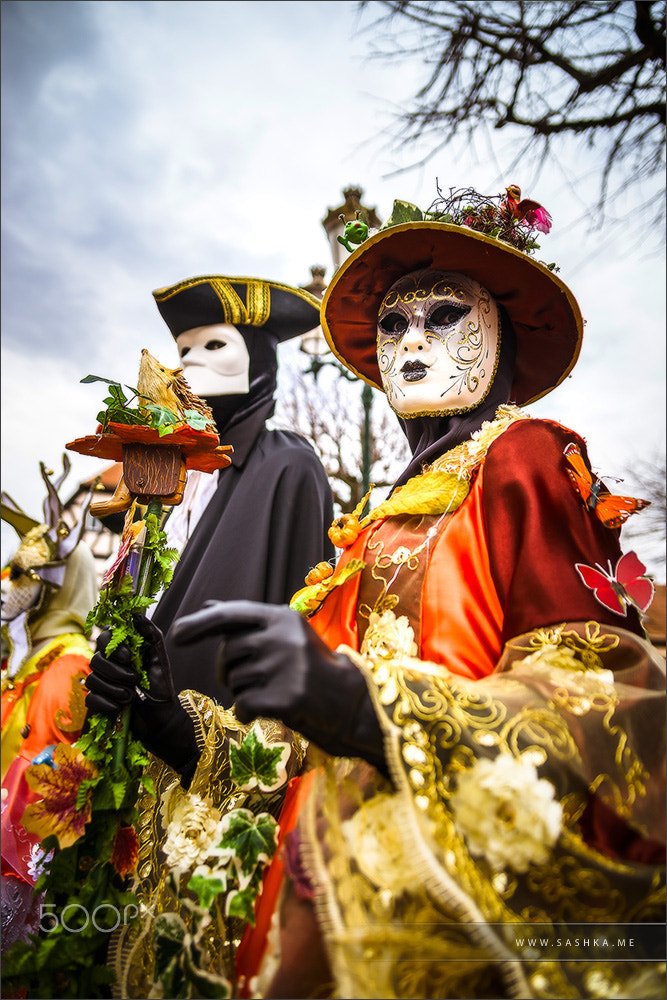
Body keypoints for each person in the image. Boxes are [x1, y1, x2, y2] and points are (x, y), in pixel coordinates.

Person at [86, 190, 665, 1000]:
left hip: (438, 911)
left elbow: (600, 698)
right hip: (317, 901)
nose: (414, 340)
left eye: (444, 315)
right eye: (393, 325)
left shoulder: (526, 455)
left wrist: (364, 706)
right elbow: (301, 753)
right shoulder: (365, 530)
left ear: (499, 335)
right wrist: (175, 725)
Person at [140, 274, 334, 701]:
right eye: (184, 350)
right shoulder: (177, 475)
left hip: (226, 742)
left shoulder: (288, 465)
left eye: (214, 345)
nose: (189, 362)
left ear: (260, 359)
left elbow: (305, 622)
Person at [1, 458, 97, 950]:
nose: (5, 586)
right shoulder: (30, 662)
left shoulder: (69, 672)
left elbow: (37, 807)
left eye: (20, 574)